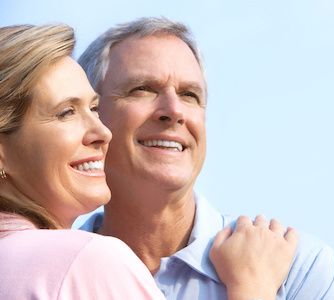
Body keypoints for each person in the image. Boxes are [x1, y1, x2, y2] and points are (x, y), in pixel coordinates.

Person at [0, 23, 298, 300]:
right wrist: (253, 288)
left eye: (92, 108)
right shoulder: (86, 261)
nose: (102, 132)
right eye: (66, 112)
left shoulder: (304, 268)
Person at [78, 16, 334, 299]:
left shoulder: (300, 270)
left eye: (189, 95)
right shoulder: (54, 273)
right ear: (90, 118)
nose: (174, 110)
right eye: (143, 89)